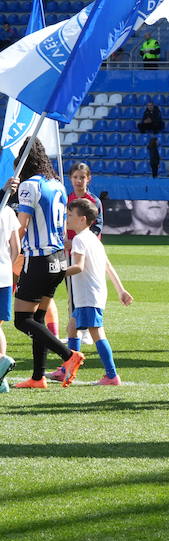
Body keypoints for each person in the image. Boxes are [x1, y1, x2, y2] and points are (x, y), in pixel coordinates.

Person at [5, 142, 83, 388]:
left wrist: (9, 250)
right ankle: (38, 377)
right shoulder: (57, 184)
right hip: (58, 258)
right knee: (38, 317)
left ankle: (68, 356)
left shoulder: (30, 185)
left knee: (22, 320)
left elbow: (22, 225)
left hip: (38, 259)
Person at [61, 198, 132, 386]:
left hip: (88, 295)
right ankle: (67, 369)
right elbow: (108, 266)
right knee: (72, 327)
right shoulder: (93, 239)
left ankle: (111, 375)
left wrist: (55, 272)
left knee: (97, 333)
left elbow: (78, 266)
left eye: (70, 215)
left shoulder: (79, 239)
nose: (67, 219)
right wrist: (121, 290)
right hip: (93, 293)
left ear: (82, 219)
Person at [0, 198, 18, 389]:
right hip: (4, 275)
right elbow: (16, 248)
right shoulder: (8, 211)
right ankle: (1, 377)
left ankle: (1, 360)